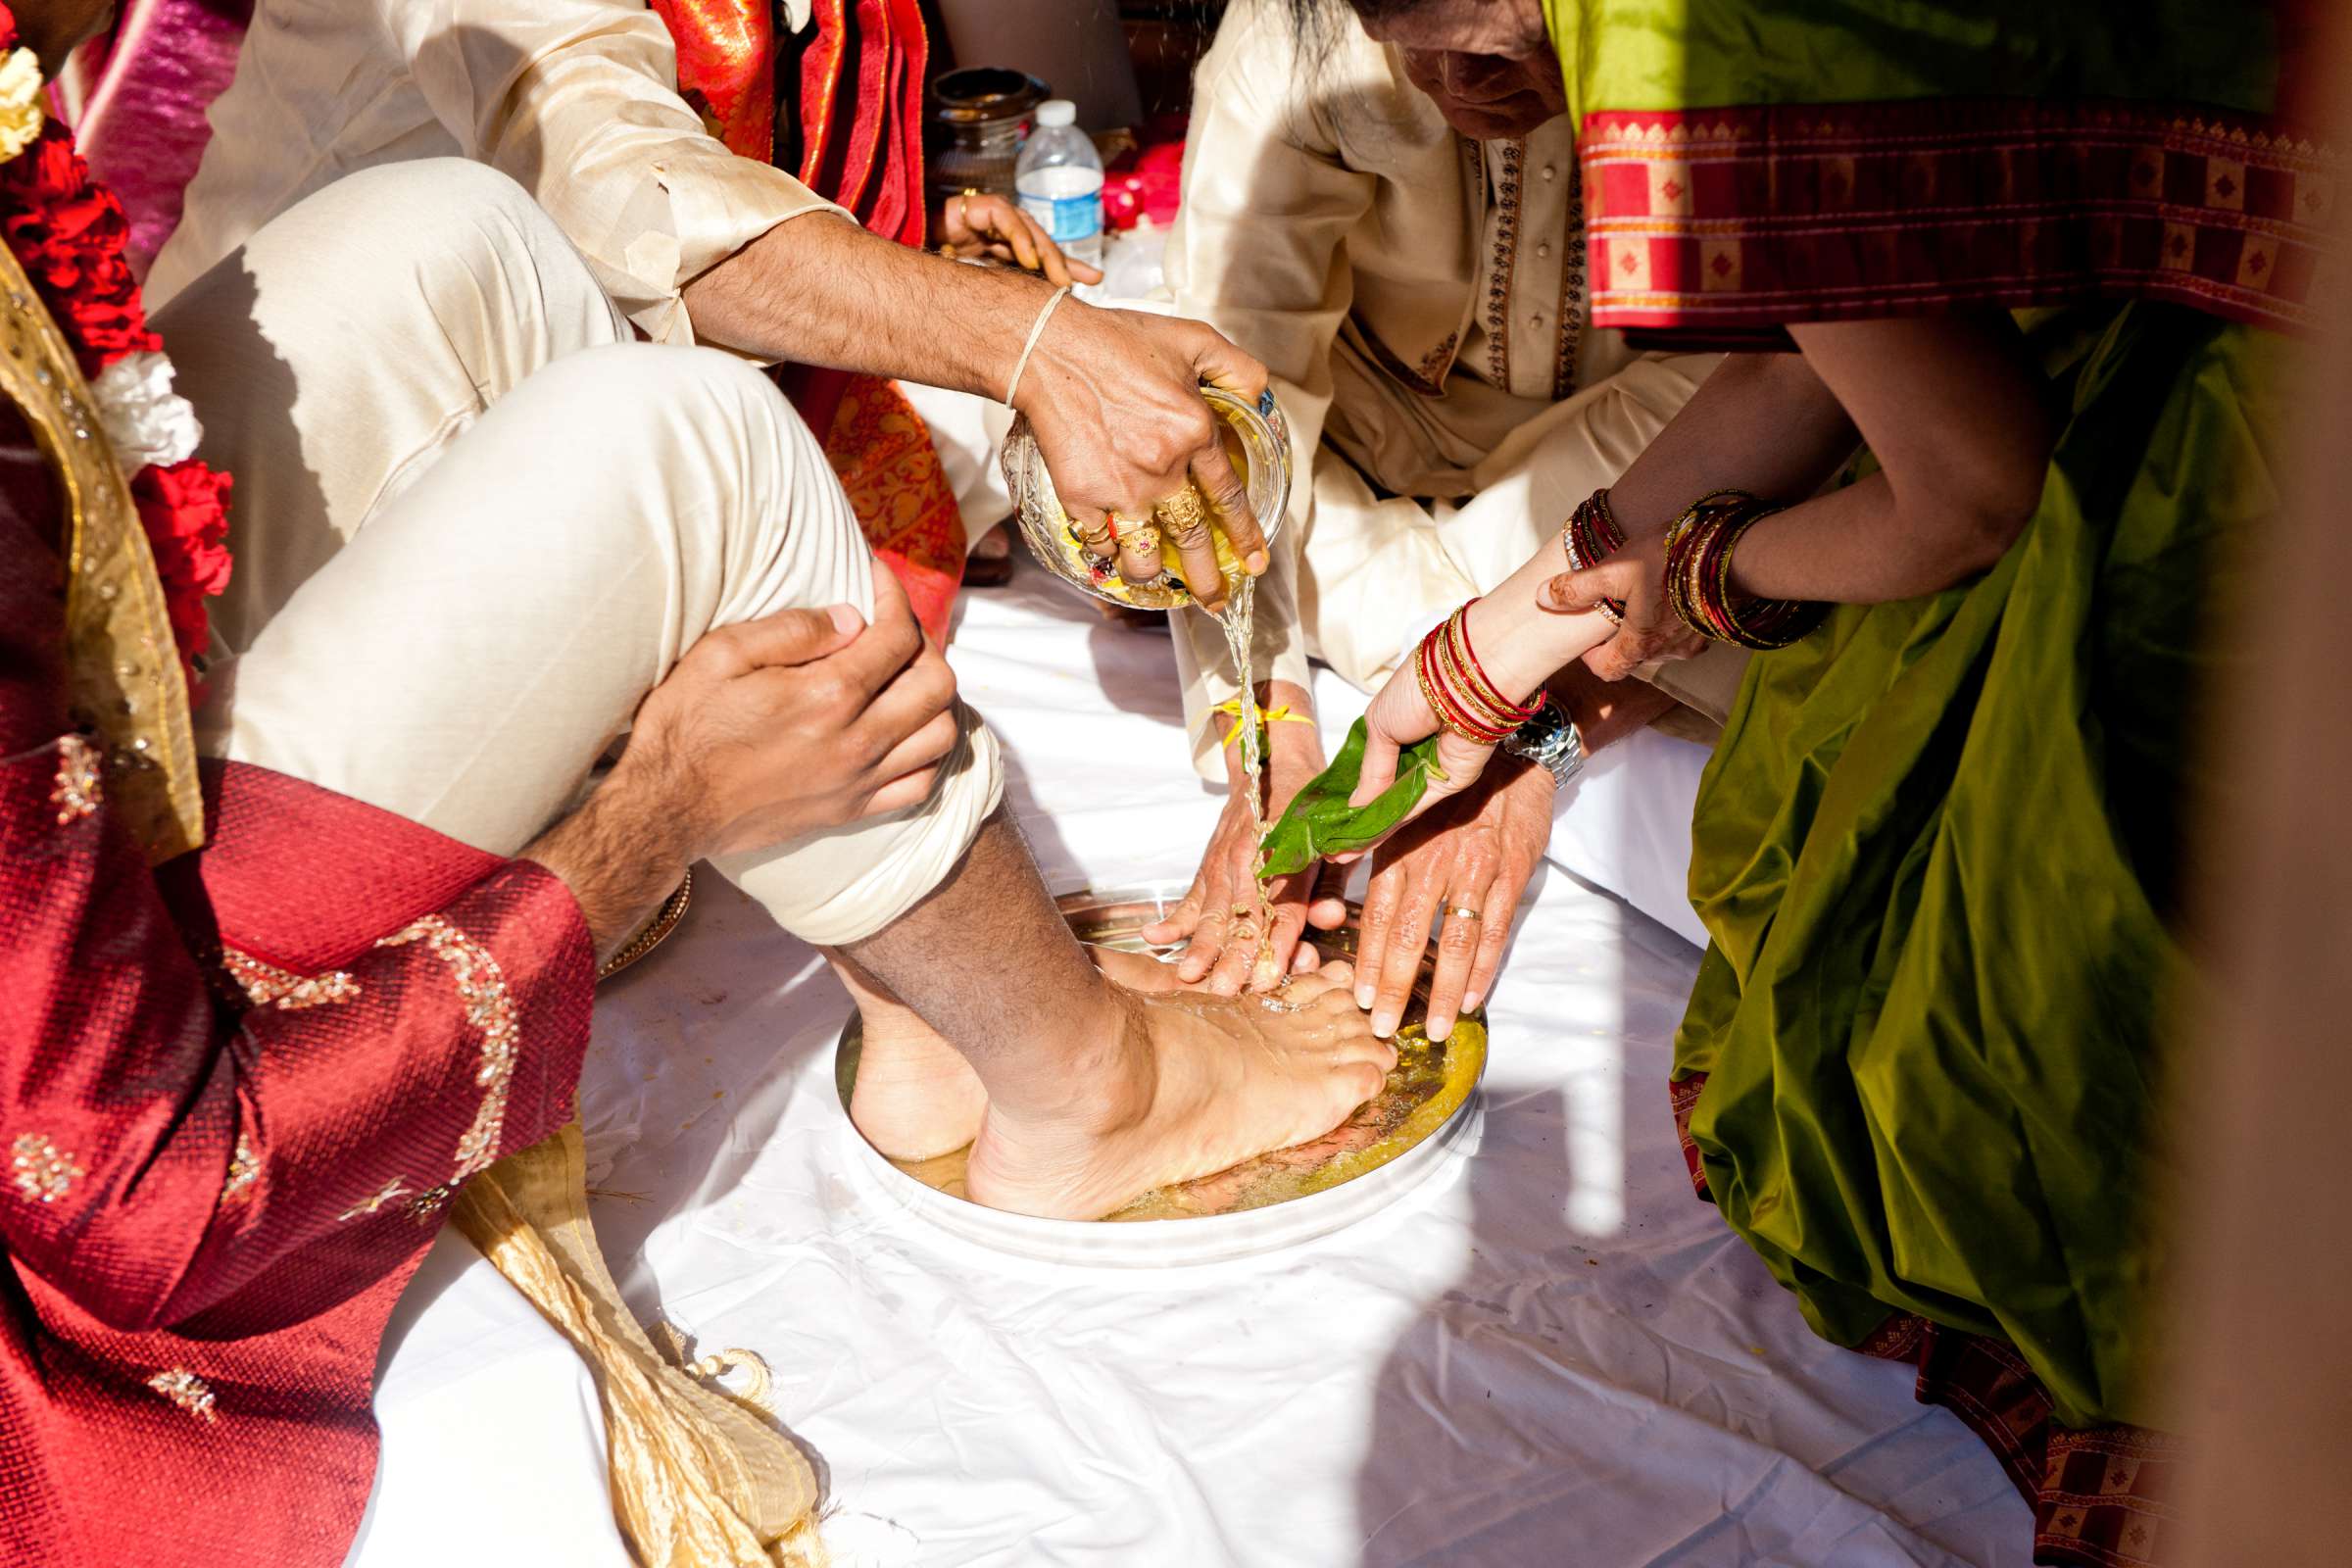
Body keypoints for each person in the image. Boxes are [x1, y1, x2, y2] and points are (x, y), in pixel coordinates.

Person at [2, 5, 1394, 1562]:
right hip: (91, 1156)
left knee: (456, 237)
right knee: (696, 451)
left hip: (64, 768)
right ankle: (1087, 1088)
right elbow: (141, 1198)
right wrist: (651, 818)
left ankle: (922, 996)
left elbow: (599, 158)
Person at [1312, 0, 2331, 1562]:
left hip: (2226, 463)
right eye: (1401, 41)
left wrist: (1700, 584)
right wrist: (1485, 662)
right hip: (2142, 360)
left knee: (2049, 1026)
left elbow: (1968, 490)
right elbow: (1829, 348)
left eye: (1456, 21)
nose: (1454, 83)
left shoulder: (1687, 27)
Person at [146, 0, 1266, 620]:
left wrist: (919, 257)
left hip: (589, 413)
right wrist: (1030, 345)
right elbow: (629, 196)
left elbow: (744, 145)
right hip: (303, 508)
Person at [1138, 0, 1739, 1047]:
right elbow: (1240, 409)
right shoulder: (1295, 44)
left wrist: (1534, 738)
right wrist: (1269, 739)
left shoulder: (1739, 50)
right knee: (1154, 469)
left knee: (1777, 529)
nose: (1458, 89)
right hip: (1356, 465)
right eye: (1414, 43)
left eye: (1499, 50)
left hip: (1648, 466)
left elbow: (1799, 418)